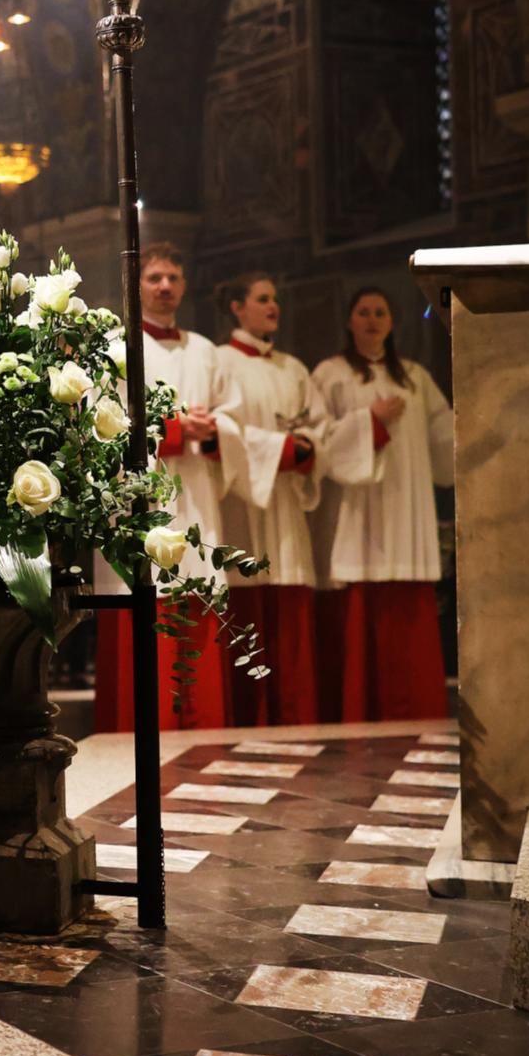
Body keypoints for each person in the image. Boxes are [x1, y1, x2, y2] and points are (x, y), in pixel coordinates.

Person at [209, 276, 366, 727]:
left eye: (276, 298)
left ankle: (295, 715)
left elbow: (318, 427)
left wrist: (306, 446)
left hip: (286, 501)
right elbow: (221, 430)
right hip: (242, 500)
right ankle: (249, 717)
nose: (273, 305)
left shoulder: (294, 368)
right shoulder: (220, 362)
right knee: (247, 600)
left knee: (290, 607)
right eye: (262, 299)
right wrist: (276, 449)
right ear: (237, 307)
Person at [94, 243, 233, 732]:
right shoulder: (115, 348)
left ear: (185, 285)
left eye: (173, 277)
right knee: (144, 601)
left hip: (196, 495)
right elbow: (101, 426)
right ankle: (137, 726)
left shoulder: (206, 351)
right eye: (154, 277)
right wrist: (173, 432)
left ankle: (203, 725)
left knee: (197, 590)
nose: (164, 286)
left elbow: (232, 421)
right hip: (140, 501)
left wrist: (213, 431)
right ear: (136, 285)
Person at [312, 288, 456, 721]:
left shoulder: (415, 377)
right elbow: (320, 442)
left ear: (393, 322)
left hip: (406, 511)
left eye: (381, 312)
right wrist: (369, 422)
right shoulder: (331, 374)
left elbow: (444, 439)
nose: (373, 319)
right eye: (364, 311)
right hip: (357, 513)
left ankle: (416, 711)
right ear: (349, 321)